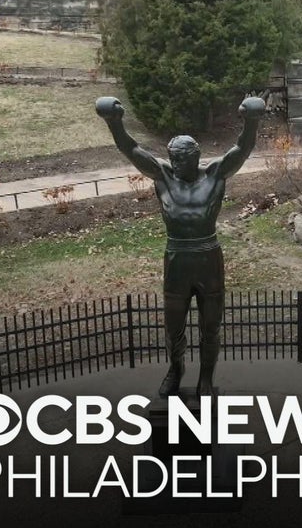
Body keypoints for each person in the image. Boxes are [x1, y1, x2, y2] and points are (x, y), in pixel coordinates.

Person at [95, 95, 265, 397]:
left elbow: (242, 149)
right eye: (173, 159)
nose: (176, 165)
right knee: (174, 326)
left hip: (207, 257)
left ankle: (206, 378)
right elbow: (131, 150)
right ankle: (175, 369)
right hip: (176, 259)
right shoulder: (163, 176)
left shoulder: (215, 175)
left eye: (182, 160)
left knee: (210, 325)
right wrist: (114, 122)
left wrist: (251, 121)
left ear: (196, 157)